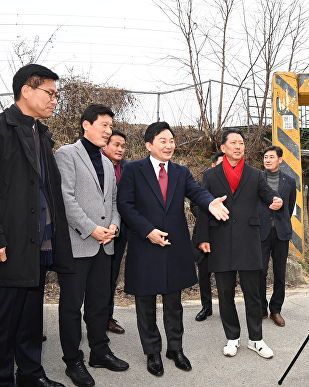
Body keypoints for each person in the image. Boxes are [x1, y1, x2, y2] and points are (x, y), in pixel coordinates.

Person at [0, 63, 74, 387]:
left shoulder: (41, 134)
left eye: (55, 95)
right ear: (26, 91)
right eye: (50, 93)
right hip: (5, 248)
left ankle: (31, 375)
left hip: (37, 247)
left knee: (30, 322)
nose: (54, 100)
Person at [117, 122, 229, 377]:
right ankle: (152, 351)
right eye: (163, 141)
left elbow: (197, 193)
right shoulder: (133, 170)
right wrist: (148, 231)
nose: (169, 146)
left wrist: (210, 203)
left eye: (171, 140)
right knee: (145, 303)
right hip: (145, 245)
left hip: (173, 247)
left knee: (173, 302)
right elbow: (125, 205)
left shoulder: (181, 172)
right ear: (148, 145)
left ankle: (175, 348)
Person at [55, 104, 128, 387]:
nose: (108, 131)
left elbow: (113, 201)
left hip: (104, 245)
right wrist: (91, 229)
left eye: (111, 126)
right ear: (86, 125)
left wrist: (113, 225)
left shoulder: (107, 162)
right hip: (77, 243)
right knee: (71, 307)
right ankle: (73, 361)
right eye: (104, 125)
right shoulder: (66, 154)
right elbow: (65, 198)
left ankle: (99, 351)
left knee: (99, 304)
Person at [196, 128, 283, 359]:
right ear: (223, 148)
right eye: (233, 143)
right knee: (225, 293)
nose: (238, 146)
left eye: (241, 143)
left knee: (252, 294)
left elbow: (267, 194)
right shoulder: (211, 176)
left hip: (248, 241)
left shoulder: (255, 174)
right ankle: (232, 338)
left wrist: (275, 200)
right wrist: (203, 237)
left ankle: (256, 339)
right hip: (220, 240)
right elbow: (202, 207)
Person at [259, 146, 296, 327]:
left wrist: (281, 221)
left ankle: (276, 310)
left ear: (280, 160)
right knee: (261, 272)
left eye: (271, 157)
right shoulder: (257, 179)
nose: (267, 160)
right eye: (265, 157)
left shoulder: (289, 181)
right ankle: (261, 308)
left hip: (281, 232)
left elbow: (289, 206)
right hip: (262, 233)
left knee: (279, 274)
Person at [191, 150, 224, 322]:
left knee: (224, 276)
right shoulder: (200, 184)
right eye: (219, 164)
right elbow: (194, 207)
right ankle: (206, 307)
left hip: (223, 237)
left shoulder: (230, 186)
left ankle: (226, 307)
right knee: (203, 275)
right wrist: (211, 211)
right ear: (212, 165)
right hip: (204, 235)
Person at [101, 129, 128, 334]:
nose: (120, 149)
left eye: (123, 146)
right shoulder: (96, 165)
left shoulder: (127, 169)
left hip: (119, 232)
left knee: (110, 278)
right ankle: (94, 319)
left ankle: (107, 318)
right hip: (95, 232)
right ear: (105, 145)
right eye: (116, 145)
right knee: (94, 281)